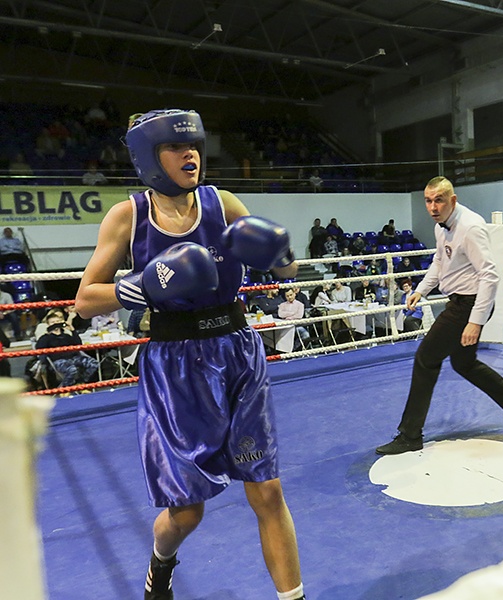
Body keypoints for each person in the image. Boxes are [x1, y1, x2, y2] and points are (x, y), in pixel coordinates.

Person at [73, 109, 307, 600]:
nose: (191, 155)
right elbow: (85, 298)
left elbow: (289, 271)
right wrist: (142, 285)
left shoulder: (221, 203)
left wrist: (279, 256)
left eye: (194, 146)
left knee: (267, 489)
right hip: (176, 367)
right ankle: (161, 563)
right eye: (176, 148)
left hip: (238, 352)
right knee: (188, 511)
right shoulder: (129, 215)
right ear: (149, 158)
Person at [375, 176, 503, 455]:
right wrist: (421, 290)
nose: (432, 207)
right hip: (462, 302)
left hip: (470, 305)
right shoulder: (442, 227)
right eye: (428, 200)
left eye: (438, 200)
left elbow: (490, 276)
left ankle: (410, 434)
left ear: (453, 200)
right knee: (464, 364)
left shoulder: (471, 227)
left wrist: (475, 321)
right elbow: (440, 261)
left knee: (426, 359)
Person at [34, 313, 99, 388]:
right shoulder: (46, 338)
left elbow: (78, 344)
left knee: (94, 364)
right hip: (58, 360)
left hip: (74, 357)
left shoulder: (66, 336)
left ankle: (81, 382)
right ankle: (65, 388)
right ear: (48, 324)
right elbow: (38, 348)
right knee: (72, 370)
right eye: (53, 322)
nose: (56, 324)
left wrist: (72, 329)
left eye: (58, 321)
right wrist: (48, 333)